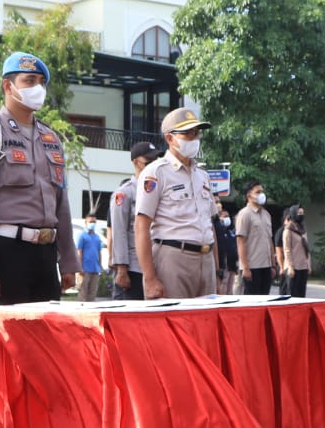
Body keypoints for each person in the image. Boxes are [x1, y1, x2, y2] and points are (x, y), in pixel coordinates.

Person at [0, 51, 77, 428]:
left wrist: (68, 259)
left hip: (43, 254)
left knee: (44, 350)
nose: (35, 88)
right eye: (26, 80)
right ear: (7, 86)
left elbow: (62, 204)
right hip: (3, 254)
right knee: (1, 350)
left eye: (38, 80)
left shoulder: (51, 139)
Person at [134, 108, 219, 300]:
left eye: (197, 133)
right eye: (187, 134)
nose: (194, 138)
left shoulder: (203, 176)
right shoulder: (156, 172)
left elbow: (210, 225)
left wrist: (217, 271)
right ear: (170, 138)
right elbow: (141, 227)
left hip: (206, 260)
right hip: (173, 258)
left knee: (206, 326)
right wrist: (149, 279)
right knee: (174, 326)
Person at [109, 142, 159, 299]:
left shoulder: (159, 189)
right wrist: (122, 269)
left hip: (157, 264)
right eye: (148, 162)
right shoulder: (124, 193)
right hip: (134, 268)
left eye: (156, 162)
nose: (153, 166)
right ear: (136, 162)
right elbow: (119, 232)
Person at [235, 181, 273, 295]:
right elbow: (241, 242)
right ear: (249, 196)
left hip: (266, 266)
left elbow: (269, 240)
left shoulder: (266, 214)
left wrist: (273, 265)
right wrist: (245, 267)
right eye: (258, 192)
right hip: (252, 267)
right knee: (252, 303)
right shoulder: (244, 214)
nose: (261, 195)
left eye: (262, 192)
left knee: (265, 301)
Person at [282, 205, 311, 298]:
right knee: (293, 295)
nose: (301, 215)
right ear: (293, 214)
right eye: (299, 213)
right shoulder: (288, 230)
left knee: (301, 295)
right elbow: (287, 250)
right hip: (293, 267)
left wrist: (308, 265)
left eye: (302, 213)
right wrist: (290, 266)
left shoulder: (303, 229)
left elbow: (306, 248)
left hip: (303, 266)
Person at [76, 214, 103, 301]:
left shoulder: (97, 237)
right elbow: (79, 251)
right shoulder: (82, 236)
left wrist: (100, 266)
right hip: (85, 269)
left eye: (94, 222)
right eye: (91, 222)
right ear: (86, 222)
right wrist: (80, 267)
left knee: (92, 294)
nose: (93, 223)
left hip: (95, 269)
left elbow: (99, 252)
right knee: (83, 293)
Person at [214, 206, 239, 295]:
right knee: (223, 287)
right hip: (224, 265)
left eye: (227, 216)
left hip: (232, 265)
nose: (227, 218)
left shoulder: (230, 233)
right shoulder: (218, 233)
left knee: (230, 289)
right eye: (224, 216)